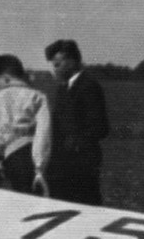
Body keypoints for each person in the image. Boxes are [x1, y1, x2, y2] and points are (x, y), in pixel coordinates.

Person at [0, 54, 52, 193]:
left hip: (9, 160)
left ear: (6, 78)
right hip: (37, 159)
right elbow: (44, 133)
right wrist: (39, 168)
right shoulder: (38, 97)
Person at [44, 39, 110, 205]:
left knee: (85, 205)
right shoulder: (62, 88)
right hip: (62, 161)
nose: (55, 69)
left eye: (58, 64)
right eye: (53, 64)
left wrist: (75, 142)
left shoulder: (88, 86)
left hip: (82, 162)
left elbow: (100, 127)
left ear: (72, 61)